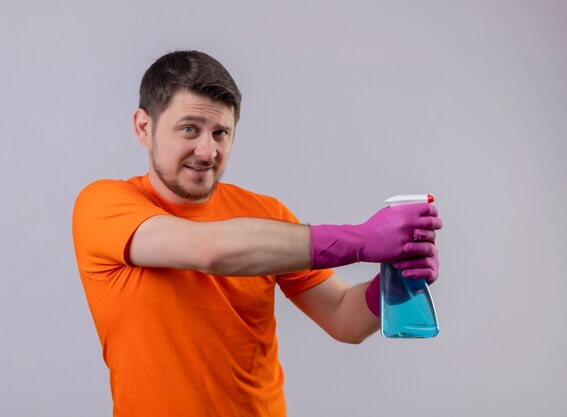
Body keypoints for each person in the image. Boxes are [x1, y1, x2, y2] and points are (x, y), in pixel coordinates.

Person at [72, 50, 442, 417]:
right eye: (189, 129)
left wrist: (396, 280)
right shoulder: (103, 205)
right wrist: (360, 241)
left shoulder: (266, 215)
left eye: (221, 133)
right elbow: (208, 250)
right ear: (144, 127)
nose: (207, 150)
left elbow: (344, 318)